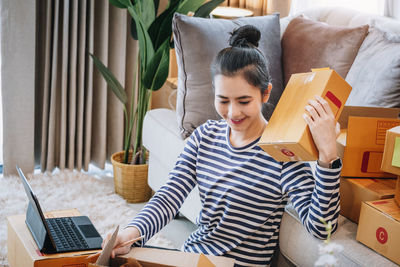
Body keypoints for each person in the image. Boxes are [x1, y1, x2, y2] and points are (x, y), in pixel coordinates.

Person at [104, 25, 342, 266]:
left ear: (265, 93)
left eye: (243, 101)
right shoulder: (204, 137)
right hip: (193, 257)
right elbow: (169, 197)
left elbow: (322, 229)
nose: (232, 112)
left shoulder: (282, 153)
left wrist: (327, 158)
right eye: (223, 100)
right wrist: (132, 233)